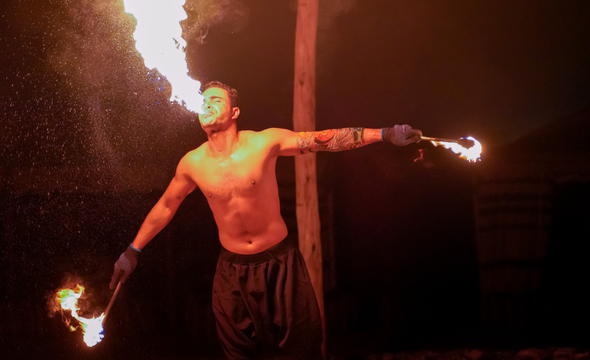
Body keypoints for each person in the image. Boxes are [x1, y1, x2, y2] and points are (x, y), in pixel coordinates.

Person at [110, 81, 421, 359]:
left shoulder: (263, 142)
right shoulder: (192, 163)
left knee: (302, 350)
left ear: (235, 112)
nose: (206, 104)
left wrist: (384, 134)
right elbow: (166, 205)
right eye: (203, 100)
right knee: (240, 354)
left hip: (280, 265)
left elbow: (324, 140)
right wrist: (132, 252)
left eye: (215, 99)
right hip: (232, 272)